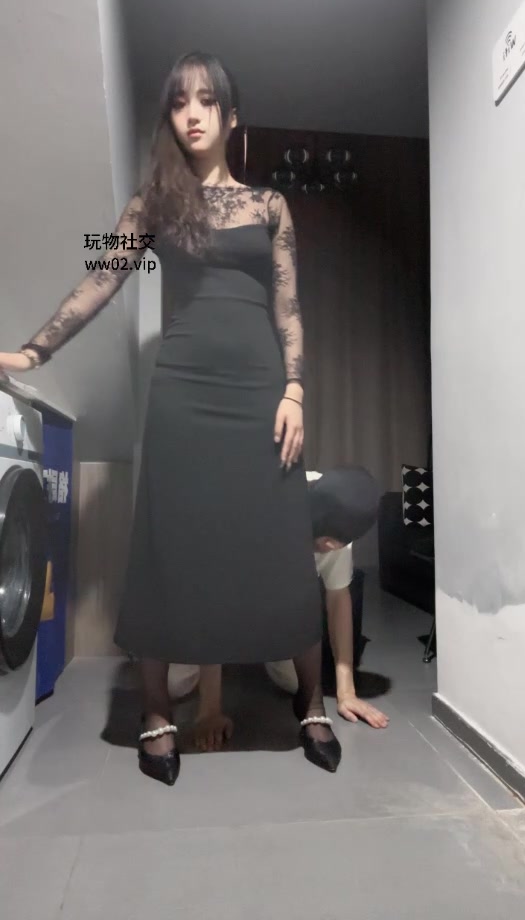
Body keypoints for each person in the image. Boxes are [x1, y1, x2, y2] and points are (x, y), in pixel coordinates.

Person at [0, 51, 341, 784]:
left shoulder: (270, 206)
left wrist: (295, 390)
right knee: (167, 547)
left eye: (206, 100)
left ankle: (312, 702)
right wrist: (34, 349)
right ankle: (157, 714)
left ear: (231, 116)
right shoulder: (155, 202)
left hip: (260, 393)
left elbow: (289, 308)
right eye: (179, 101)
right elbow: (104, 276)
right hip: (183, 393)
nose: (191, 113)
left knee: (280, 545)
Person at [192, 467, 389, 752]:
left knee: (296, 681)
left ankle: (255, 652)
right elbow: (213, 601)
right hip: (222, 600)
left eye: (333, 544)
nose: (328, 547)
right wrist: (209, 709)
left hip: (277, 611)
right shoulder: (255, 510)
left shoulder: (342, 522)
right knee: (176, 685)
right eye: (324, 542)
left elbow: (338, 599)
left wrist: (346, 691)